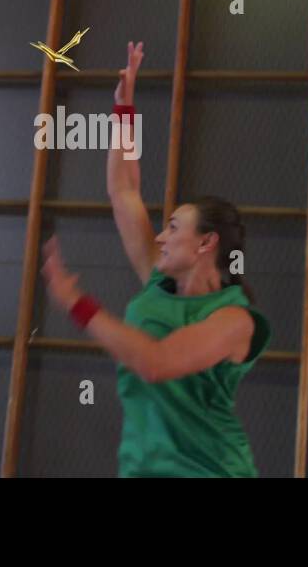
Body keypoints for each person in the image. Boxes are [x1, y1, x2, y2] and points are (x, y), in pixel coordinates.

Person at [40, 42, 271, 477]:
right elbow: (124, 190)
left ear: (206, 244)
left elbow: (155, 362)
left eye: (174, 228)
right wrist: (124, 111)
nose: (160, 236)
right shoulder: (157, 279)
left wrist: (79, 305)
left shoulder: (236, 321)